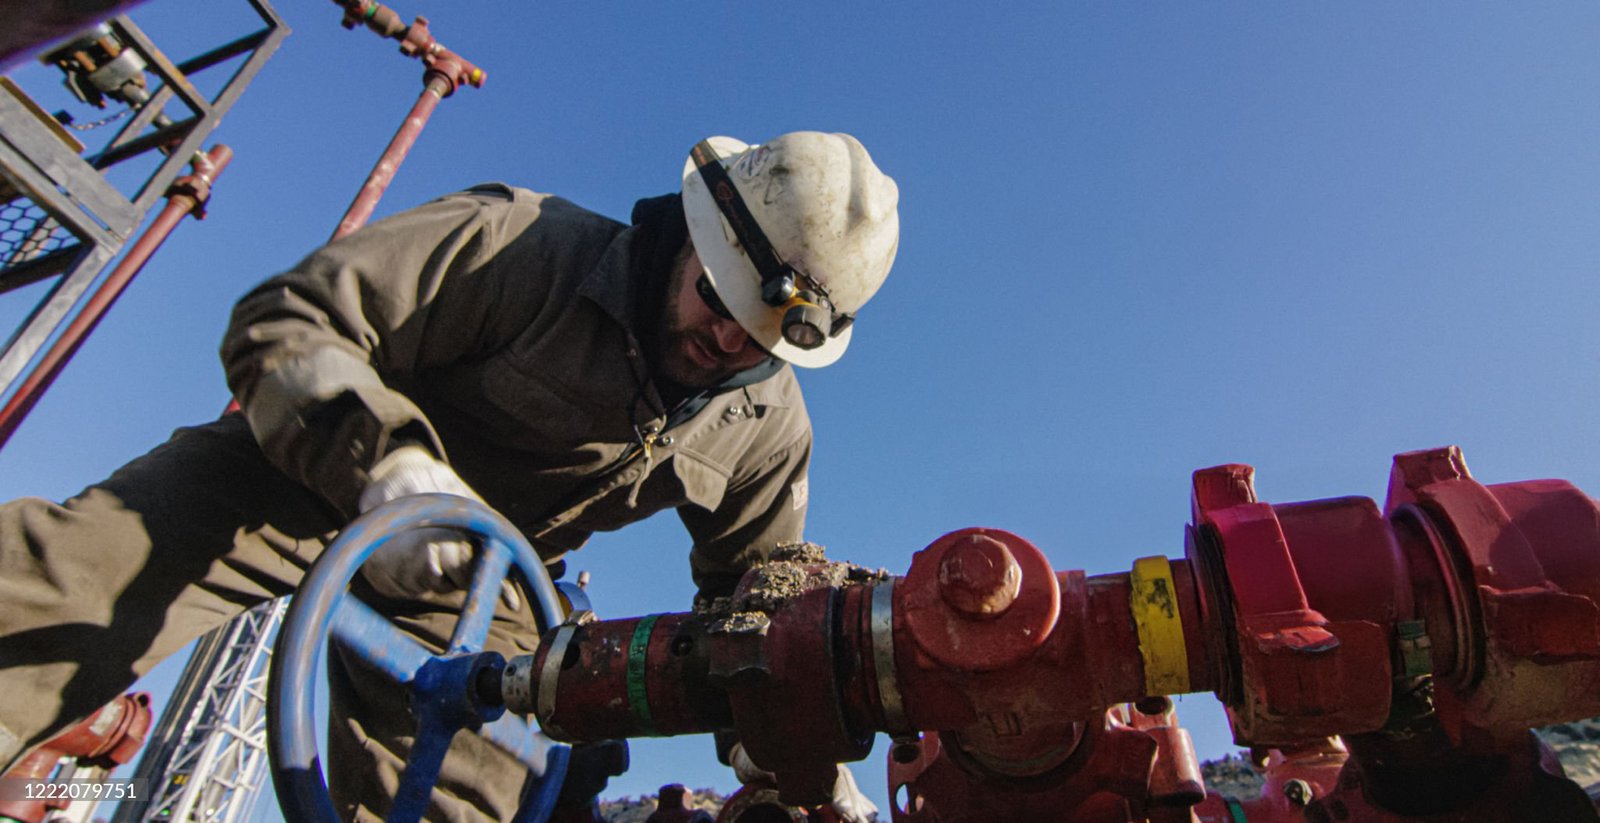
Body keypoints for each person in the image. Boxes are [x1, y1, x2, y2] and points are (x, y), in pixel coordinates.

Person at [0, 131, 898, 821]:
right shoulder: (521, 244)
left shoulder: (766, 425)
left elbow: (757, 605)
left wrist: (796, 749)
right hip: (301, 473)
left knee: (496, 787)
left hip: (481, 584)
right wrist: (386, 466)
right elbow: (289, 318)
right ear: (694, 236)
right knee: (55, 593)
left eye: (763, 338)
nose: (728, 342)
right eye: (720, 300)